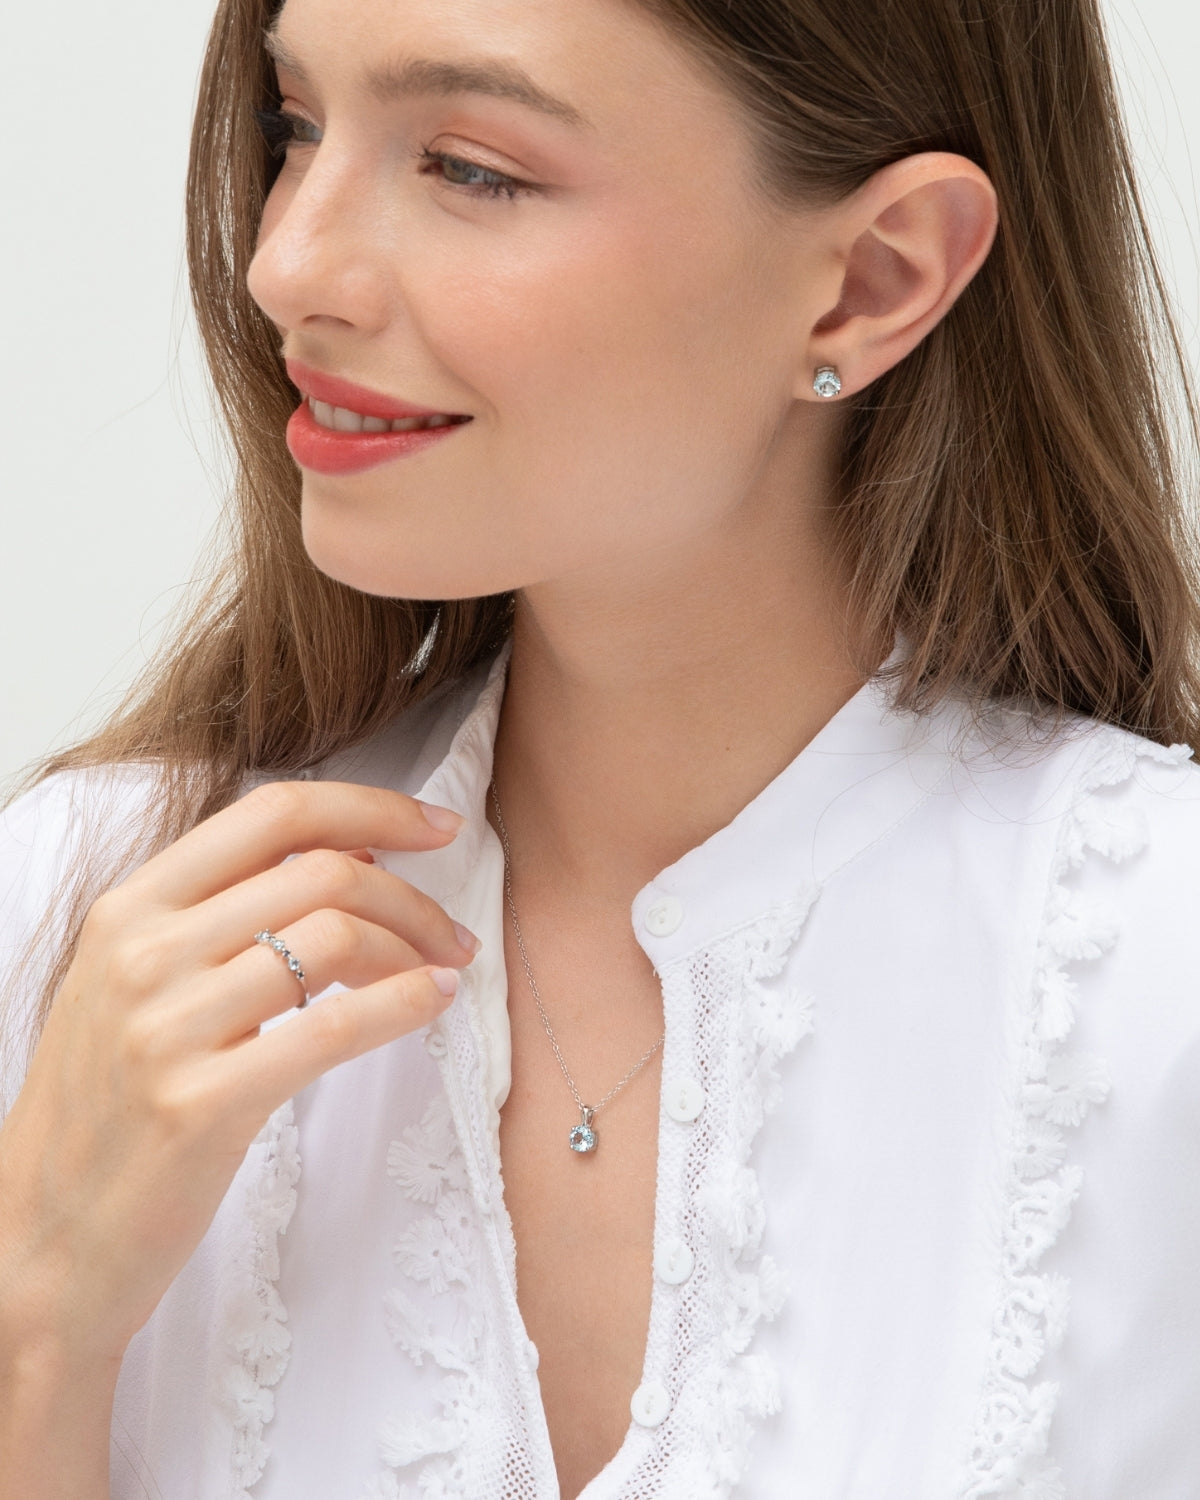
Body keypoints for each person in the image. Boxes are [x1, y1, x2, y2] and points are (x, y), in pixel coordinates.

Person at [3, 0, 1200, 1495]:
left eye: (471, 168)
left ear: (871, 283)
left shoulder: (1158, 978)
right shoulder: (79, 918)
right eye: (292, 129)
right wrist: (35, 1331)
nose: (284, 264)